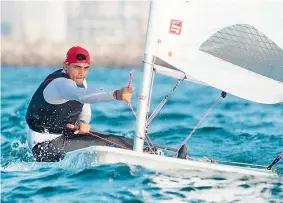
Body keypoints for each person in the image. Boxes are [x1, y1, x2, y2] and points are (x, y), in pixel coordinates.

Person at [25, 46, 134, 162]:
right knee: (109, 145)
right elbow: (82, 96)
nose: (81, 73)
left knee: (114, 140)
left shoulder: (80, 81)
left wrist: (83, 122)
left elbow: (85, 108)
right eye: (77, 67)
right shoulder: (59, 84)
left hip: (64, 137)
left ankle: (149, 151)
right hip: (43, 147)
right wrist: (115, 94)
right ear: (66, 66)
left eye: (86, 68)